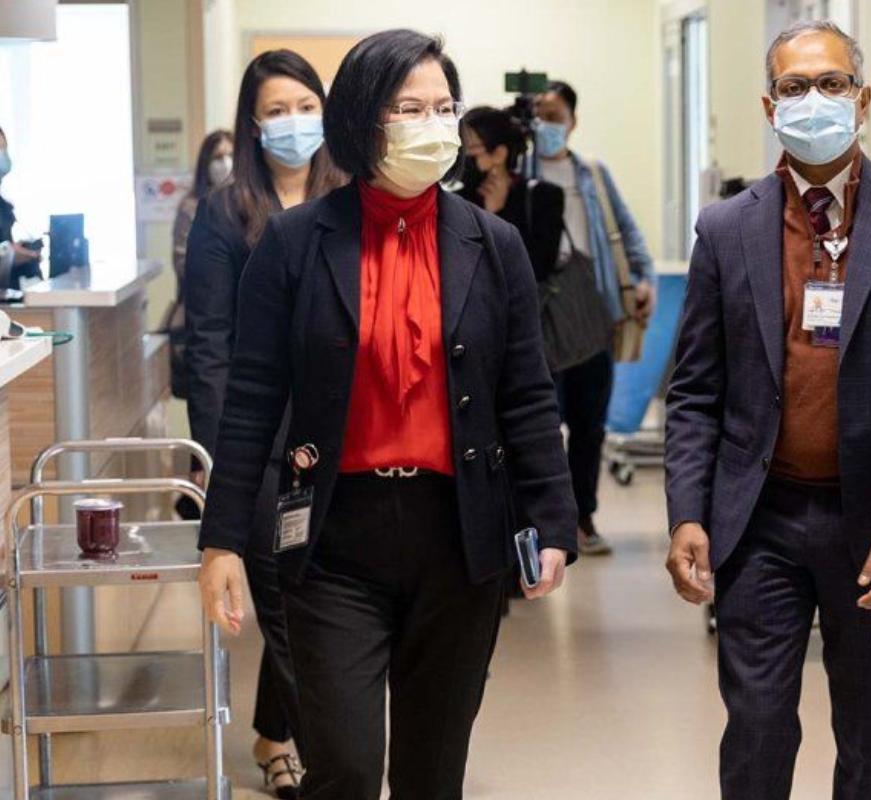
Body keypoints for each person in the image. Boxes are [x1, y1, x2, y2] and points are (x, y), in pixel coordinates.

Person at [195, 29, 577, 800]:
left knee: (433, 773)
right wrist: (224, 539)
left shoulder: (491, 244)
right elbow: (253, 399)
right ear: (365, 121)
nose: (434, 124)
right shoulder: (296, 244)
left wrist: (554, 523)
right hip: (333, 537)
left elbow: (527, 395)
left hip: (459, 534)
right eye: (410, 108)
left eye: (445, 106)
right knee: (345, 765)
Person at [664, 21, 871, 800]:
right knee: (758, 726)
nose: (815, 101)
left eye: (832, 84)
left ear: (863, 98)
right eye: (795, 87)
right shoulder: (727, 228)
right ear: (770, 108)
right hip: (759, 516)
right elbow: (695, 390)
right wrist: (687, 513)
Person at [185, 50, 344, 798]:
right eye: (275, 111)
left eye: (303, 105)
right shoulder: (225, 215)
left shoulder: (349, 196)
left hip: (341, 440)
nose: (292, 123)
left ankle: (270, 735)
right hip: (260, 446)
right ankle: (336, 766)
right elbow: (209, 348)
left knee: (313, 594)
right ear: (253, 124)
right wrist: (228, 468)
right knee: (283, 601)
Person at [534, 80, 656, 555]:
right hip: (541, 319)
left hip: (592, 314)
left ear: (573, 121)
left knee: (589, 425)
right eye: (539, 115)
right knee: (543, 425)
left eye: (556, 115)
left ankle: (583, 517)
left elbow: (626, 231)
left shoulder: (593, 176)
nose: (547, 125)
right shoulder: (517, 171)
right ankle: (546, 524)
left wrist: (643, 279)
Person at [163, 128, 233, 399]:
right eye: (217, 157)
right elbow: (182, 263)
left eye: (230, 155)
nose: (225, 162)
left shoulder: (248, 203)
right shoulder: (191, 206)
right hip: (204, 317)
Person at [457, 105, 564, 281]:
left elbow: (536, 269)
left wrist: (497, 215)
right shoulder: (457, 201)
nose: (462, 157)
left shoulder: (544, 198)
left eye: (471, 148)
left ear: (499, 154)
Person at [0, 125, 44, 289]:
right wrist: (8, 252)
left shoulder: (4, 206)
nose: (3, 155)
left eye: (4, 149)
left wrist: (19, 252)